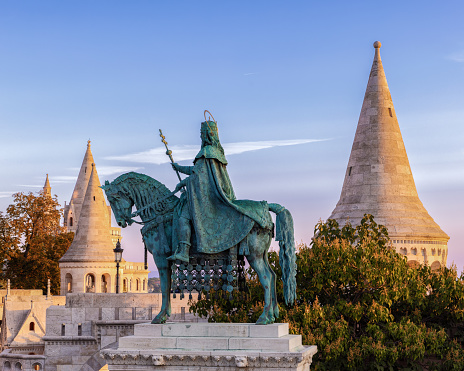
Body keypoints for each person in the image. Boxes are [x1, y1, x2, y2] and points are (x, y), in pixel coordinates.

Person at [167, 120, 270, 263]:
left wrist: (183, 182)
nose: (201, 137)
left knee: (183, 216)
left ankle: (184, 251)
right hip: (213, 193)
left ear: (206, 135)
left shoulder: (206, 152)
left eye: (201, 134)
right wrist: (179, 168)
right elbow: (198, 172)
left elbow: (199, 177)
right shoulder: (216, 153)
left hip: (208, 197)